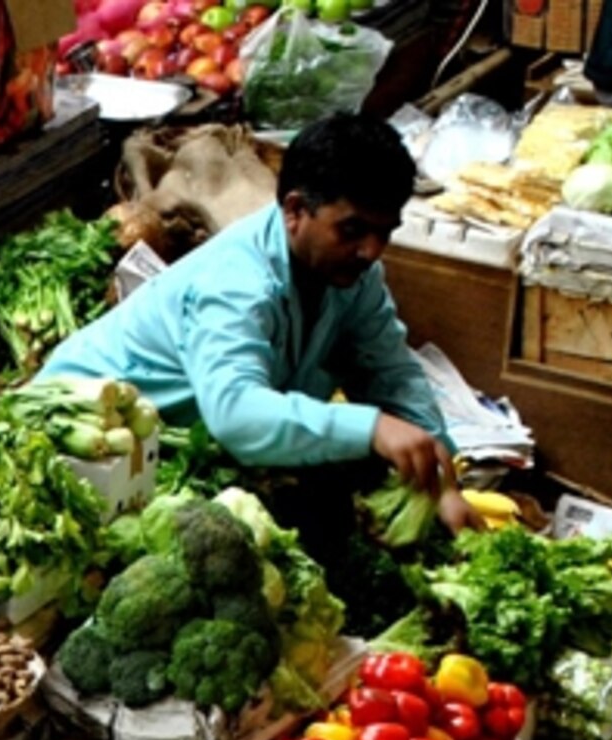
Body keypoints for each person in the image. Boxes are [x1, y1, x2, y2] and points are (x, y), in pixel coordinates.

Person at [42, 114, 472, 532]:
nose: (371, 251)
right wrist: (373, 428)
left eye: (385, 233)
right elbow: (236, 415)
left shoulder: (353, 277)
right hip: (78, 434)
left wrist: (442, 479)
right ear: (295, 210)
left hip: (169, 444)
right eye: (353, 230)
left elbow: (391, 374)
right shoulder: (236, 281)